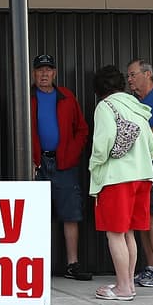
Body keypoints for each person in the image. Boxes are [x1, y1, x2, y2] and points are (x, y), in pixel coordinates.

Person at [88, 65, 153, 301]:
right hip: (143, 176)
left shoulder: (105, 107)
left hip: (117, 178)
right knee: (129, 233)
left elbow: (102, 145)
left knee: (115, 233)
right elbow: (151, 146)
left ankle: (123, 287)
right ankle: (128, 283)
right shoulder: (137, 107)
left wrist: (93, 165)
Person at [29, 53, 93, 281]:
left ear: (54, 73)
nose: (44, 74)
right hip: (36, 164)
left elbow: (82, 129)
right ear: (34, 73)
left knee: (70, 214)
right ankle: (37, 265)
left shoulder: (66, 96)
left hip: (64, 163)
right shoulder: (28, 97)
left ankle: (72, 264)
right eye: (40, 70)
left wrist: (72, 153)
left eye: (48, 70)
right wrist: (29, 158)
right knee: (36, 215)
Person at [127, 59, 153, 287]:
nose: (130, 80)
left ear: (148, 74)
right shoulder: (133, 102)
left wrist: (141, 129)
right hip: (139, 164)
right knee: (140, 217)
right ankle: (151, 268)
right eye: (128, 76)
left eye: (133, 74)